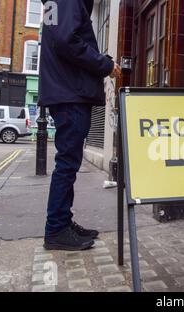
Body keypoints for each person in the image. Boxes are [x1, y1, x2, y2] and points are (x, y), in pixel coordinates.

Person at [38, 0, 121, 251]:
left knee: (68, 163)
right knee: (67, 164)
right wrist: (105, 65)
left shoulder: (57, 3)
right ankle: (56, 230)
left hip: (65, 90)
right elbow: (66, 41)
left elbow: (63, 40)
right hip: (70, 93)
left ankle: (62, 222)